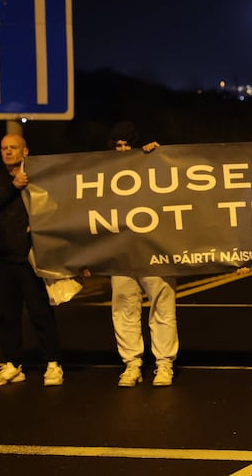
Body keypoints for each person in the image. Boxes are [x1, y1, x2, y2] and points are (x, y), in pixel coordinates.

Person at [0, 134, 64, 387]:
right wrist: (12, 186)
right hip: (3, 260)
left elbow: (56, 210)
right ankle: (13, 364)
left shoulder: (39, 180)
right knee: (7, 315)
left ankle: (53, 363)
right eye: (4, 148)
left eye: (13, 147)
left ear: (25, 151)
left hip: (31, 259)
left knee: (41, 312)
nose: (7, 152)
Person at [107, 121, 179, 387]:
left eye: (128, 144)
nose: (124, 149)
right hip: (121, 252)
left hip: (155, 249)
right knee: (124, 306)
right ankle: (132, 363)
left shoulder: (153, 165)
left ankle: (164, 363)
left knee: (162, 306)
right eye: (119, 145)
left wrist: (159, 157)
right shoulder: (103, 174)